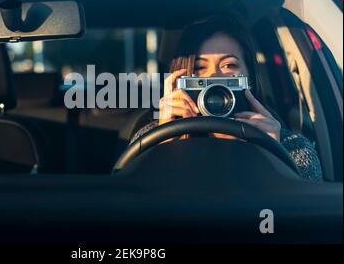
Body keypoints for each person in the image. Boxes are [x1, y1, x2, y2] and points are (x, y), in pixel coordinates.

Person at [130, 15, 323, 181]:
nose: (214, 77)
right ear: (180, 78)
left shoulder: (291, 146)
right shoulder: (150, 138)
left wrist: (272, 154)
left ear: (250, 78)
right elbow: (132, 210)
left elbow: (300, 217)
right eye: (199, 67)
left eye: (229, 66)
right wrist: (164, 143)